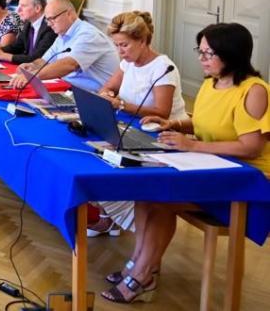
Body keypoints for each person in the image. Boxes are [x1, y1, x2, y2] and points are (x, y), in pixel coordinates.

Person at [101, 22, 269, 304]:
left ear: (231, 53)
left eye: (208, 53)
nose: (201, 59)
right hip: (211, 166)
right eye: (200, 51)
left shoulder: (254, 91)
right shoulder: (211, 83)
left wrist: (193, 145)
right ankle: (140, 264)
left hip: (247, 181)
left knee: (163, 198)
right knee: (146, 193)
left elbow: (251, 147)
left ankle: (142, 275)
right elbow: (203, 123)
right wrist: (174, 124)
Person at [85, 11, 188, 238]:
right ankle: (108, 216)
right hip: (133, 127)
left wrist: (121, 104)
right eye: (116, 45)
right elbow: (107, 88)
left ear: (142, 41)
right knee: (90, 152)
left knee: (109, 162)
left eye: (124, 45)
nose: (120, 51)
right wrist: (107, 94)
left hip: (162, 135)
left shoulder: (163, 67)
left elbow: (162, 112)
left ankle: (115, 218)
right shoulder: (127, 63)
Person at [9, 0, 117, 93]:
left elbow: (69, 64)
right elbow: (46, 60)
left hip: (93, 95)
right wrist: (32, 66)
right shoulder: (62, 35)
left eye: (52, 18)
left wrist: (33, 76)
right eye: (47, 20)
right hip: (70, 90)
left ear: (69, 14)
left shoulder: (88, 35)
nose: (49, 24)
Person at [0, 0, 56, 64]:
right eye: (19, 5)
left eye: (23, 6)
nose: (18, 10)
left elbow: (36, 59)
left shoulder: (50, 27)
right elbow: (17, 47)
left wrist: (2, 55)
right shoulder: (28, 23)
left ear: (37, 8)